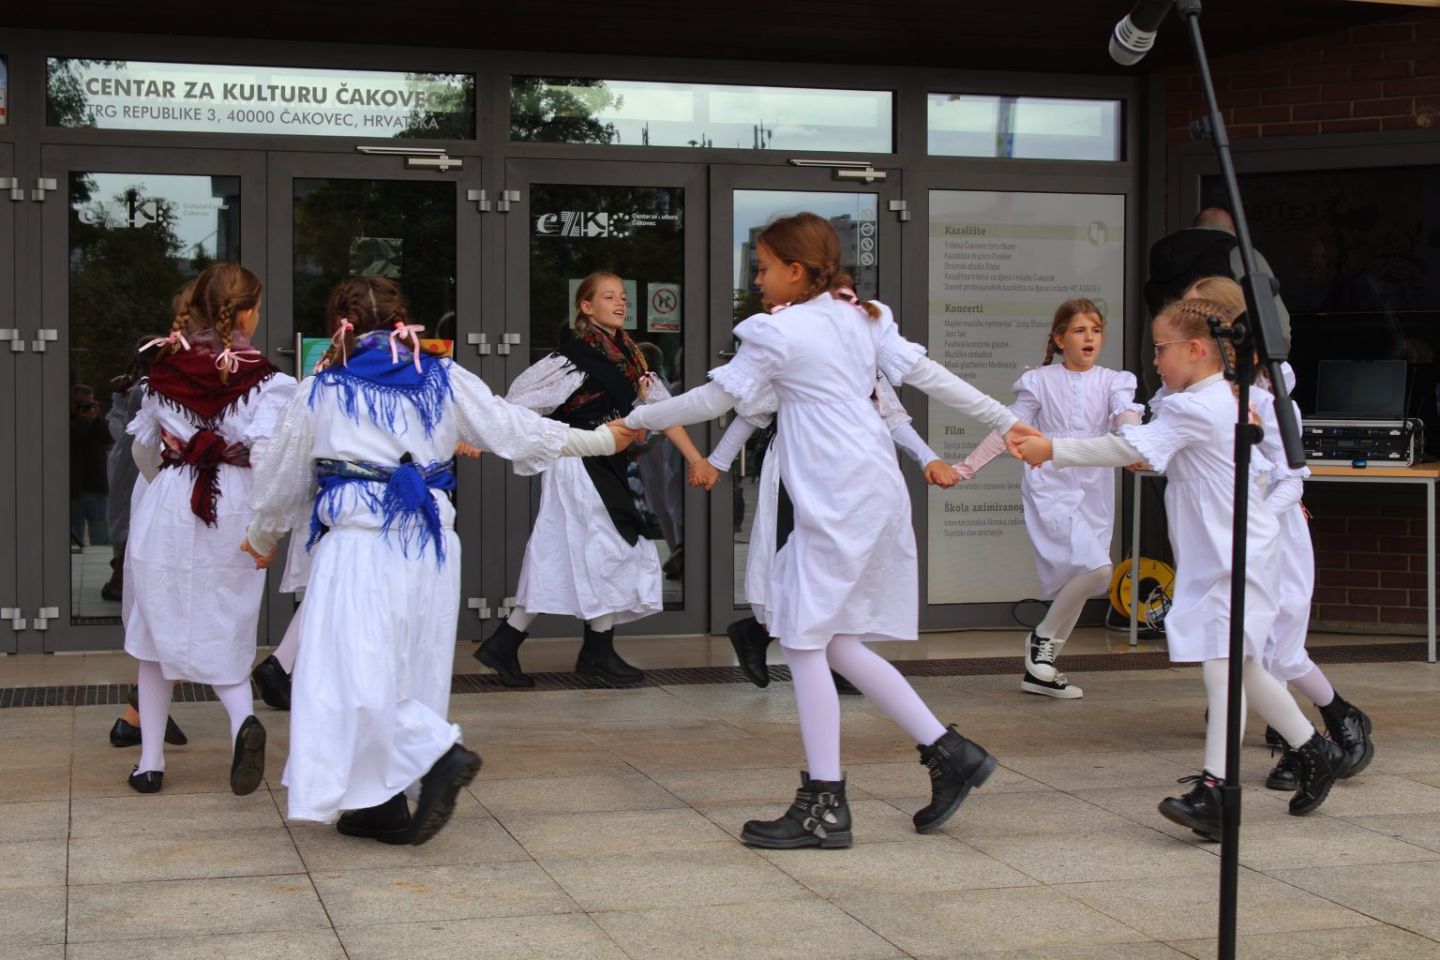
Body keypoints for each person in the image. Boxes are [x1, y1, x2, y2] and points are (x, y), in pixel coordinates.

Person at [624, 212, 1038, 848]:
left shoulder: (783, 330)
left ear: (796, 270)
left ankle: (826, 806)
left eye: (761, 268)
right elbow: (931, 376)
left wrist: (634, 421)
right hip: (866, 489)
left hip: (839, 496)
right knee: (833, 640)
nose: (756, 281)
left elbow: (714, 401)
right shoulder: (861, 318)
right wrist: (1005, 418)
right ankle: (950, 752)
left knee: (802, 637)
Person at [244, 275, 635, 845]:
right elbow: (513, 429)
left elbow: (282, 477)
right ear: (404, 321)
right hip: (429, 546)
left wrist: (261, 537)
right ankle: (377, 803)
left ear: (341, 327)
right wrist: (600, 440)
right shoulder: (444, 378)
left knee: (346, 673)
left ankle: (434, 755)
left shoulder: (322, 389)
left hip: (359, 546)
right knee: (411, 666)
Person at [1015, 298, 1346, 839]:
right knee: (1243, 666)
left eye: (1161, 349)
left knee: (1224, 666)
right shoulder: (1204, 400)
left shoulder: (1199, 406)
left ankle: (1215, 792)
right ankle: (1314, 750)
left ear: (1196, 350)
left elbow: (1129, 448)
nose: (1155, 361)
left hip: (1235, 553)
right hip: (1220, 550)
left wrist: (1053, 448)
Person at [1183, 275, 1373, 786]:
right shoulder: (1193, 390)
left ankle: (1333, 722)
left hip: (1274, 534)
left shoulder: (1271, 394)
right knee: (1245, 650)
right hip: (1229, 532)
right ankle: (1295, 743)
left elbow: (1292, 478)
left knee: (1277, 649)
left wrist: (1258, 514)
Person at [473, 272, 704, 688]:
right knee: (607, 547)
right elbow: (515, 405)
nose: (620, 304)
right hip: (577, 463)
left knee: (574, 551)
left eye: (623, 298)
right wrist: (481, 439)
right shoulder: (572, 359)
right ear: (585, 306)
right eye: (609, 297)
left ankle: (515, 644)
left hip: (605, 465)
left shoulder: (632, 358)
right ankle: (595, 652)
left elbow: (662, 412)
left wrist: (697, 459)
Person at [123, 262, 298, 795]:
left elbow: (142, 449)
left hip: (173, 501)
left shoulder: (163, 372)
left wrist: (168, 478)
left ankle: (149, 763)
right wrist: (269, 528)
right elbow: (270, 459)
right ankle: (242, 721)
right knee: (227, 618)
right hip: (233, 504)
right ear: (246, 312)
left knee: (155, 626)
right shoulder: (270, 382)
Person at [696, 370, 958, 693]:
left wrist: (928, 458)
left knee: (843, 563)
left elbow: (890, 417)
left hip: (852, 472)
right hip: (801, 467)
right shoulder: (794, 351)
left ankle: (770, 637)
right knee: (800, 560)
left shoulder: (865, 358)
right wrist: (716, 461)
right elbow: (753, 413)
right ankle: (776, 638)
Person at [953, 299, 1142, 699]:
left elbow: (1127, 418)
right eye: (1079, 330)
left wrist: (1135, 446)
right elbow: (1009, 429)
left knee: (1084, 575)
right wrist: (967, 467)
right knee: (1099, 569)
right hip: (1051, 483)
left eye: (1095, 329)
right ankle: (1041, 640)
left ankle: (1041, 672)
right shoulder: (1039, 381)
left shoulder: (1114, 380)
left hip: (1096, 482)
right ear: (1059, 338)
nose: (1089, 336)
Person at [1145, 206, 1290, 353]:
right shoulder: (1240, 255)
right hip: (1225, 363)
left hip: (1173, 364)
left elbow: (1154, 324)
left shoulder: (1163, 261)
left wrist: (1152, 371)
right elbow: (1274, 320)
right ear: (1234, 228)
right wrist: (1274, 358)